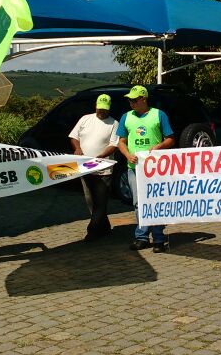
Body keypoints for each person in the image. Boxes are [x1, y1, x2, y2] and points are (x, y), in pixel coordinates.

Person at [116, 85, 175, 252]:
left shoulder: (159, 115)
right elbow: (121, 142)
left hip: (155, 168)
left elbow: (170, 139)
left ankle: (158, 238)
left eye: (134, 100)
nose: (131, 103)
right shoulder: (126, 117)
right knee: (138, 203)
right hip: (134, 167)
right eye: (129, 100)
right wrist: (127, 155)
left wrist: (159, 146)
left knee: (156, 201)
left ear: (143, 99)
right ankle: (141, 237)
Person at [69, 93, 120, 241]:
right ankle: (104, 228)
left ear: (109, 108)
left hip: (103, 169)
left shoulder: (114, 123)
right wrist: (77, 149)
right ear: (95, 106)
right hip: (85, 167)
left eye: (104, 109)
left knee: (101, 201)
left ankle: (92, 231)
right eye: (99, 108)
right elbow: (74, 137)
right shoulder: (85, 119)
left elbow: (113, 144)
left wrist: (102, 156)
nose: (101, 111)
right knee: (91, 201)